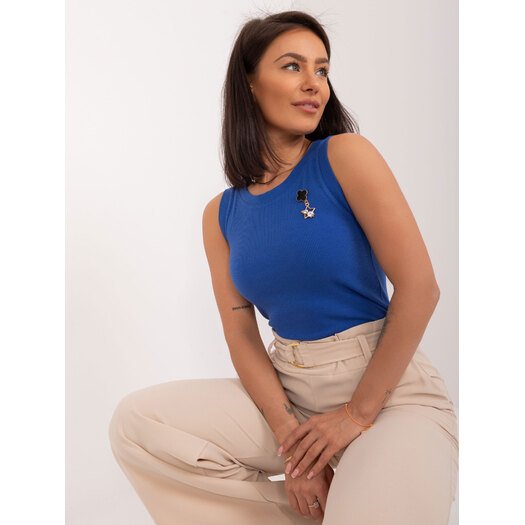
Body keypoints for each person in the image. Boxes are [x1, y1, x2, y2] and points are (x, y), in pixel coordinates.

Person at [108, 9, 458, 525]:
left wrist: (355, 415)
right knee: (140, 424)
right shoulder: (220, 214)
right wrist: (293, 448)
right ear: (250, 84)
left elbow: (420, 288)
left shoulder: (345, 156)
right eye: (293, 66)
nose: (314, 83)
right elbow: (241, 333)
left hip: (387, 394)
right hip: (289, 390)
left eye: (322, 69)